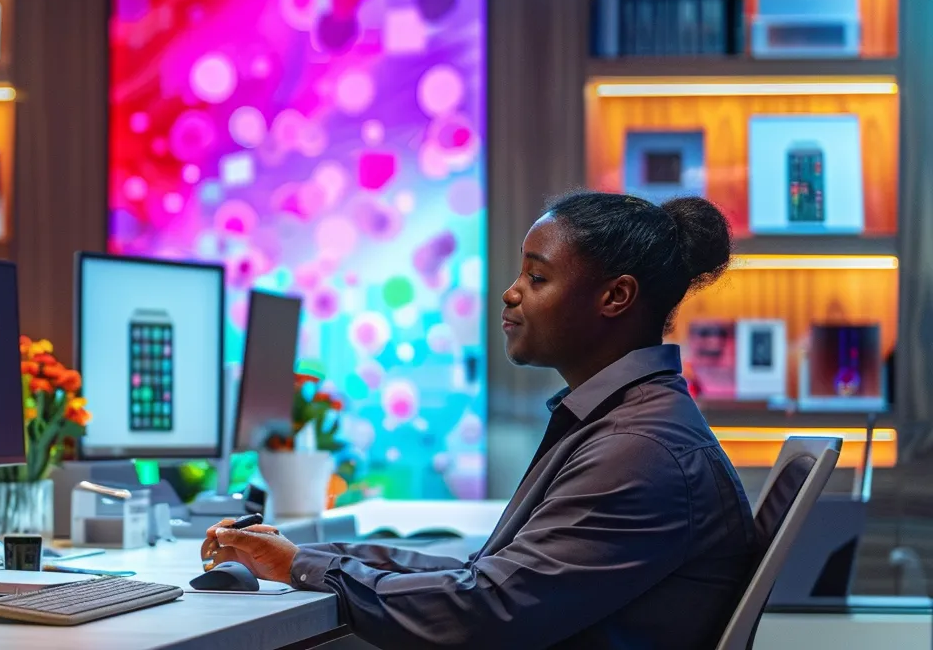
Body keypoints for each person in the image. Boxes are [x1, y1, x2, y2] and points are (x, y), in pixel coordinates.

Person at [208, 192, 756, 649]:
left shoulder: (639, 449)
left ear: (615, 296)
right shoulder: (623, 423)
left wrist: (304, 568)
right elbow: (487, 574)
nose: (510, 292)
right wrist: (305, 557)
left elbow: (487, 609)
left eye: (537, 278)